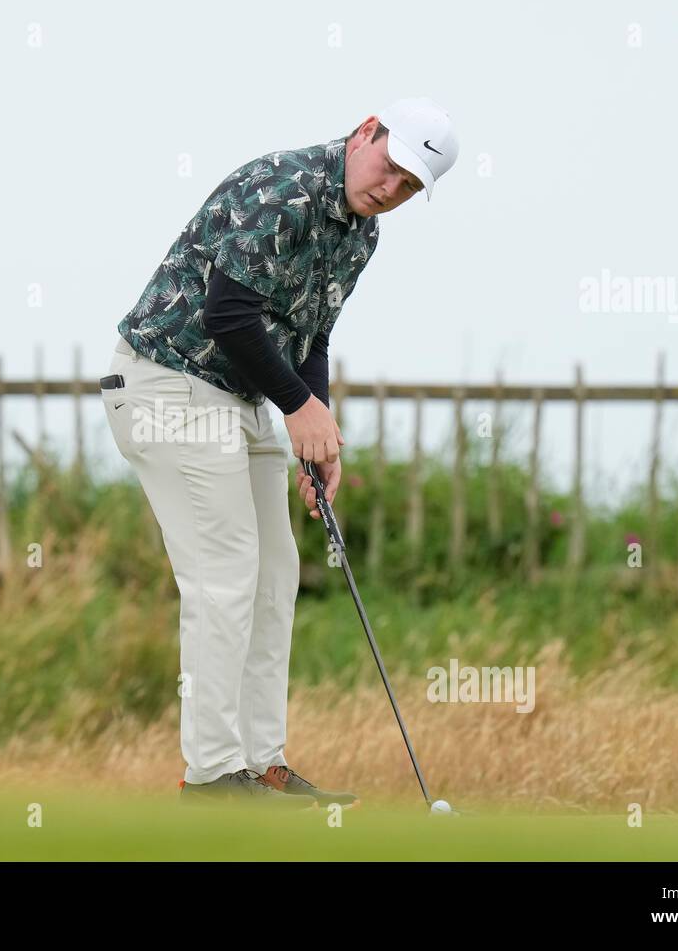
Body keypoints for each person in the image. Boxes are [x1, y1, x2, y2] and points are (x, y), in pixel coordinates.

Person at [99, 98, 459, 808]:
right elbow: (226, 313)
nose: (390, 189)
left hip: (236, 396)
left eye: (410, 187)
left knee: (275, 575)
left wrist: (314, 434)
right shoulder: (284, 188)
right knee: (226, 574)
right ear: (365, 133)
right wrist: (298, 407)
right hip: (165, 383)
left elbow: (311, 336)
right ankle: (210, 775)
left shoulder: (362, 235)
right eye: (390, 167)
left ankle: (263, 764)